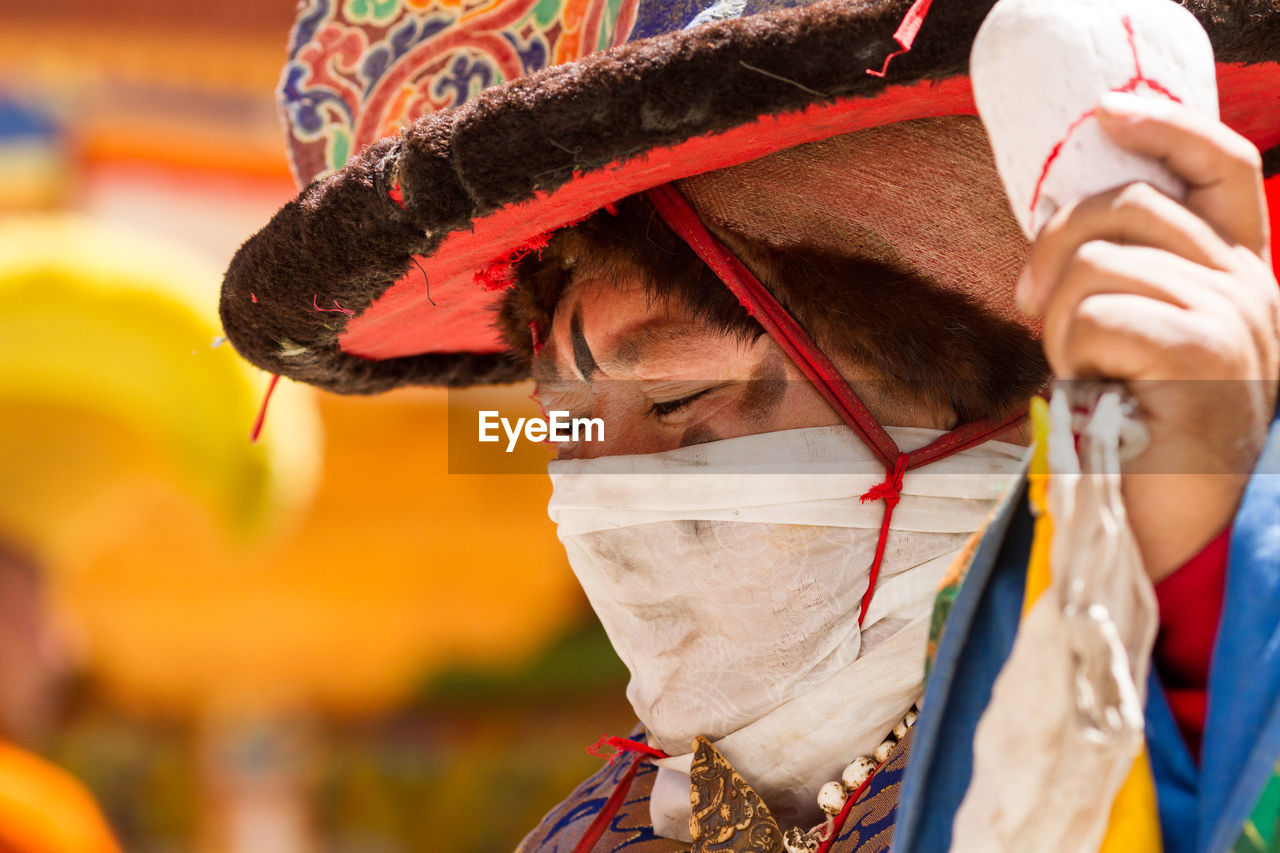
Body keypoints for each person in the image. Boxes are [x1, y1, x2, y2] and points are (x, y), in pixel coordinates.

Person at [219, 0, 1280, 849]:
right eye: (564, 427)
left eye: (677, 395)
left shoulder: (1194, 735)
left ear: (1010, 391)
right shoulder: (591, 838)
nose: (596, 488)